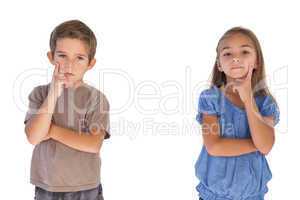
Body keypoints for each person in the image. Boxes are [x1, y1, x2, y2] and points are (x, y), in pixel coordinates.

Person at [24, 19, 110, 200]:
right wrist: (54, 93)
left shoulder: (96, 99)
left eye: (79, 58)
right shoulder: (40, 94)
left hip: (85, 187)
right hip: (46, 186)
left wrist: (52, 130)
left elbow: (93, 144)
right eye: (62, 56)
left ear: (90, 63)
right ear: (51, 57)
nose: (70, 64)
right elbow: (34, 137)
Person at [195, 27, 280, 200]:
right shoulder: (210, 98)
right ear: (219, 64)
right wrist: (256, 144)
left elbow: (266, 145)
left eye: (245, 51)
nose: (236, 58)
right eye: (227, 54)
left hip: (253, 195)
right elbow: (214, 147)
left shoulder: (265, 103)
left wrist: (248, 98)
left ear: (256, 61)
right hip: (213, 196)